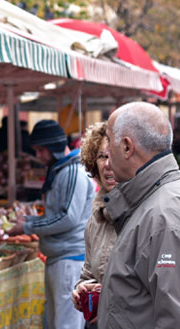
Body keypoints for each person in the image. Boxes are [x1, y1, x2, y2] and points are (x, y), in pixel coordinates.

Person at [90, 102, 180, 328]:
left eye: (110, 140)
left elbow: (179, 321)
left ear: (127, 147)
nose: (106, 153)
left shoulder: (166, 216)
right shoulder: (154, 203)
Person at [8, 119, 94, 329]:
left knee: (66, 323)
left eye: (40, 150)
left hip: (69, 260)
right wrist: (29, 220)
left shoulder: (72, 172)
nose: (38, 156)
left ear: (53, 146)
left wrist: (27, 227)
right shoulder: (62, 170)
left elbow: (68, 218)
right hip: (60, 257)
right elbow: (57, 214)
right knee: (57, 321)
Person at [70, 122, 119, 328]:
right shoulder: (96, 214)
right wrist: (81, 289)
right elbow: (89, 272)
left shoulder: (143, 212)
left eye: (113, 156)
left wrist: (111, 306)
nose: (108, 164)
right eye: (101, 156)